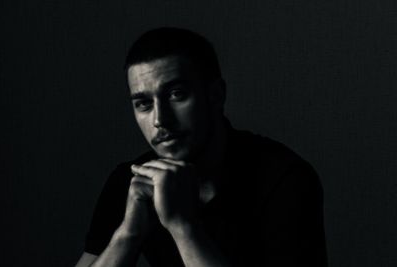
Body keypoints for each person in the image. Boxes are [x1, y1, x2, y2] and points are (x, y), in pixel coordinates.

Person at [75, 27, 327, 267]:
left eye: (176, 94)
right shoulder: (132, 183)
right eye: (143, 103)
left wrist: (183, 227)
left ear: (216, 95)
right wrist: (128, 234)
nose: (160, 120)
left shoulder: (284, 180)